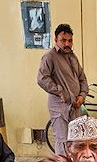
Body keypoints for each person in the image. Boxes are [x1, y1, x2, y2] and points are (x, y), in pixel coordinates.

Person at [38, 23, 89, 155]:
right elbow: (42, 78)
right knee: (63, 142)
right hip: (60, 107)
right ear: (56, 40)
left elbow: (82, 79)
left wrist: (82, 96)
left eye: (70, 41)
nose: (67, 44)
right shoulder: (50, 56)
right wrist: (60, 92)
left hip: (76, 106)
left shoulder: (72, 56)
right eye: (63, 40)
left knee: (77, 141)